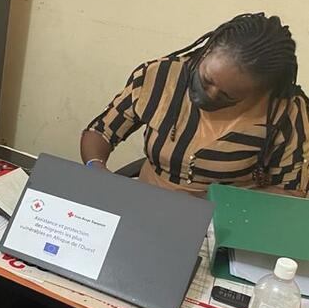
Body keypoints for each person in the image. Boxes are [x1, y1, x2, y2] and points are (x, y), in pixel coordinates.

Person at [81, 13, 309, 198]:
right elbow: (101, 131)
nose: (209, 94)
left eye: (228, 95)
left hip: (227, 220)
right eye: (207, 79)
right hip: (147, 203)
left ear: (261, 91)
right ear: (207, 51)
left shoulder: (286, 112)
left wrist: (209, 201)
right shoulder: (160, 76)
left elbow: (291, 193)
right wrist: (95, 167)